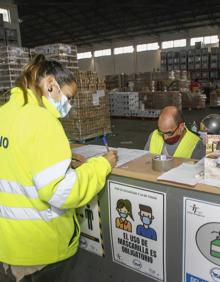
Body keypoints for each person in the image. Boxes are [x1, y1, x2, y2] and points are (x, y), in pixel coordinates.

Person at [0, 54, 118, 282]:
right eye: (69, 97)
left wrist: (60, 159)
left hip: (7, 245)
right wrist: (101, 165)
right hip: (38, 248)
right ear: (50, 84)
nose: (70, 105)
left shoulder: (4, 114)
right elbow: (61, 191)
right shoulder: (42, 121)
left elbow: (16, 161)